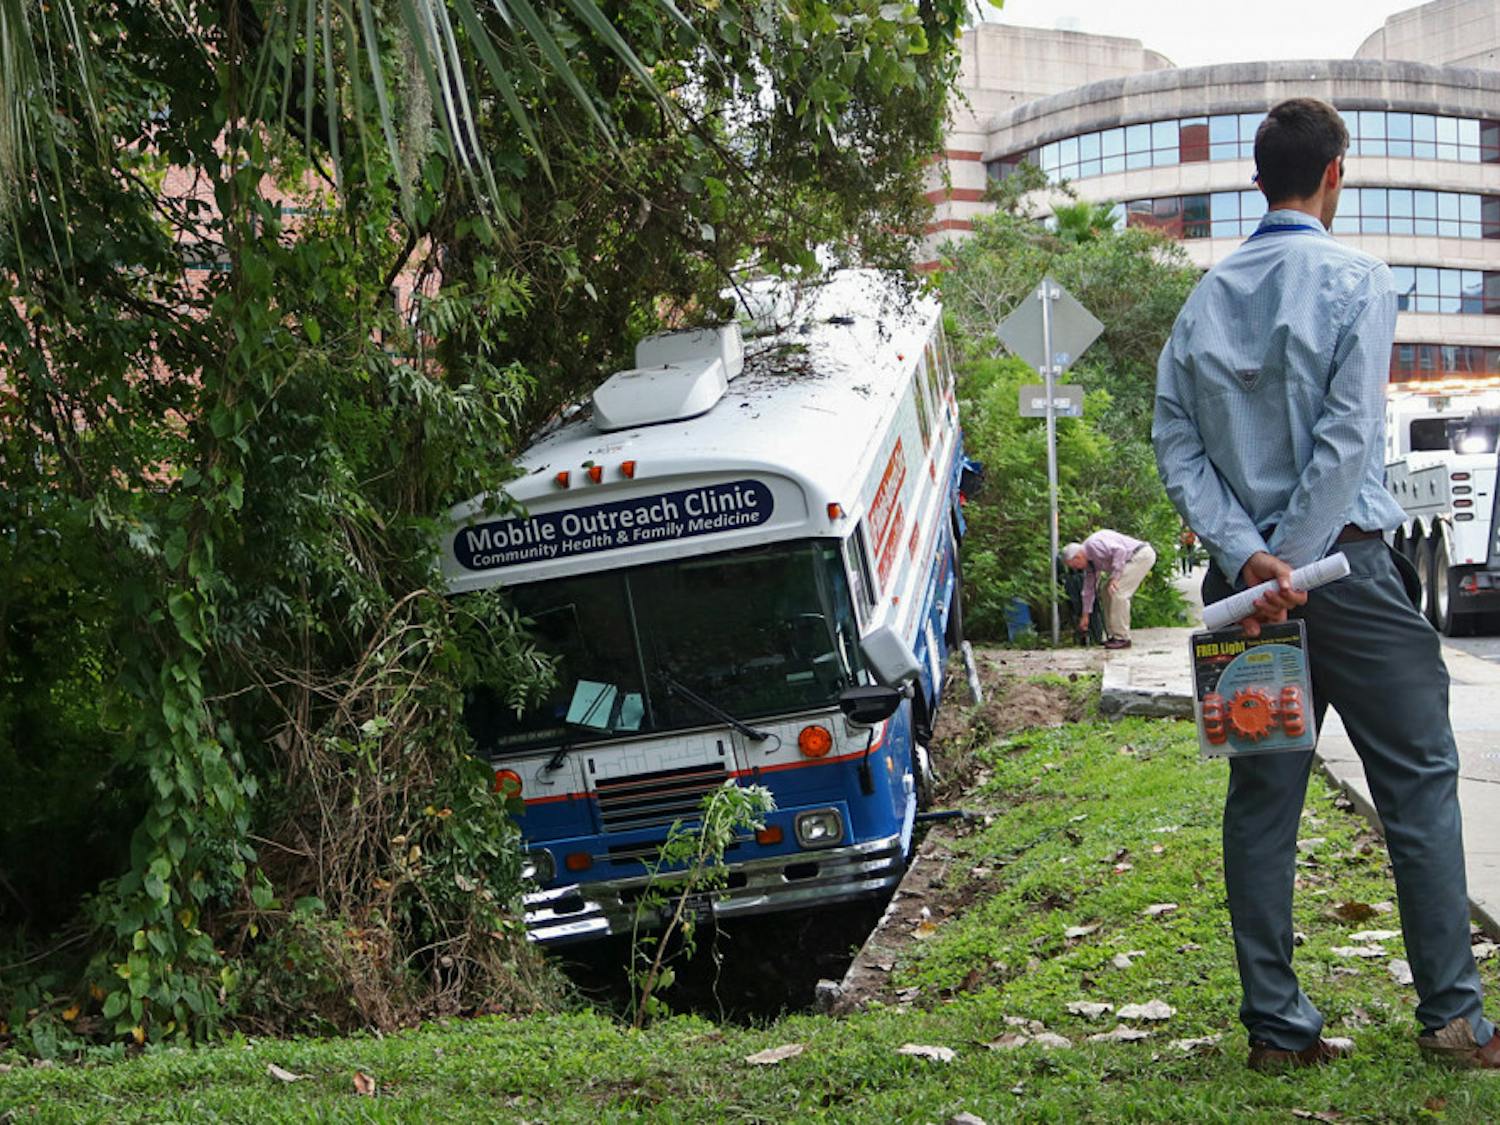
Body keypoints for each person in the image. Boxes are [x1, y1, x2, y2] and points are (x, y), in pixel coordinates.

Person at [1153, 96, 1497, 1072]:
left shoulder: (1202, 302)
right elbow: (1347, 441)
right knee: (1418, 782)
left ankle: (1276, 1028)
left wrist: (1249, 559)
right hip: (1348, 578)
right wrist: (1294, 564)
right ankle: (1452, 1018)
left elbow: (1175, 441)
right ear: (1334, 173)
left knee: (1263, 803)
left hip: (1245, 595)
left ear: (1257, 180)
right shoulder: (1359, 280)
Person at [1060, 530, 1155, 650]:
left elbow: (1120, 550)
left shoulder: (1093, 545)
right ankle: (1112, 635)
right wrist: (1085, 616)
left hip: (1140, 555)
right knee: (1105, 592)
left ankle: (1122, 637)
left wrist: (1115, 577)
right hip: (1128, 560)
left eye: (1074, 565)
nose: (1075, 569)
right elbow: (1088, 590)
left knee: (1117, 591)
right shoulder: (1089, 564)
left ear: (1078, 557)